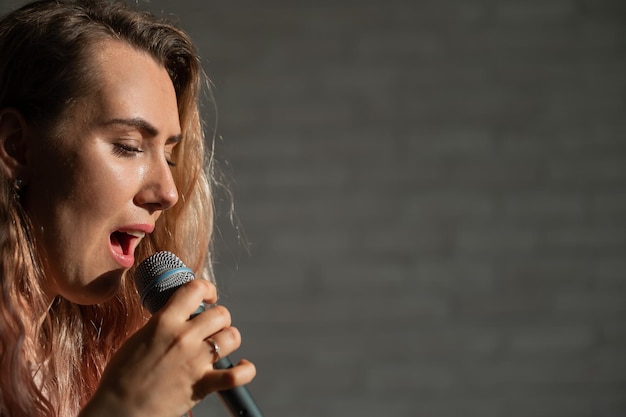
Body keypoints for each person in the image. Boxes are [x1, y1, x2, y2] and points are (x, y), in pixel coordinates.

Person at [0, 0, 256, 416]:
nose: (168, 193)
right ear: (17, 146)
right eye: (129, 147)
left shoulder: (85, 363)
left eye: (169, 157)